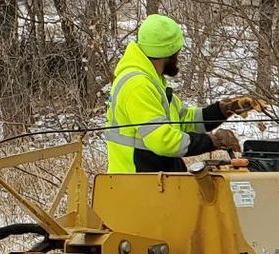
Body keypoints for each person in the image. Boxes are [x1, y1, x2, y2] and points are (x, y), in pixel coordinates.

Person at [105, 13, 259, 173]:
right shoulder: (137, 85)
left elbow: (186, 119)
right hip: (135, 184)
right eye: (178, 52)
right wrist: (212, 141)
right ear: (169, 52)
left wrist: (224, 109)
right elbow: (163, 140)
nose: (178, 58)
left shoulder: (151, 80)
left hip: (152, 179)